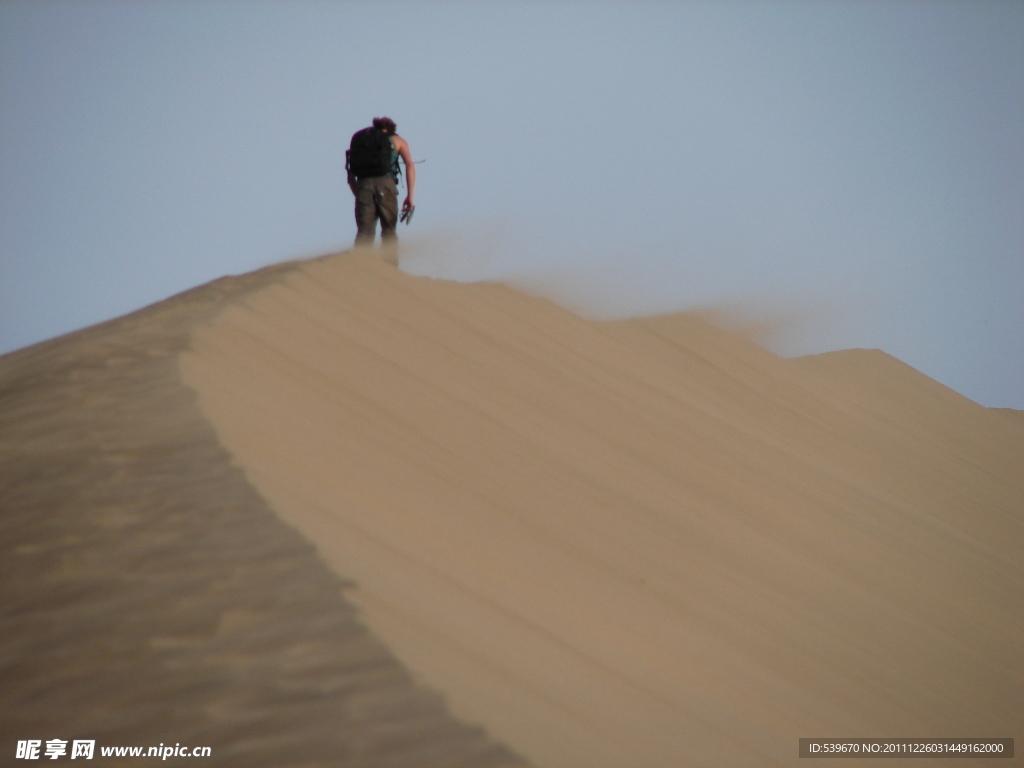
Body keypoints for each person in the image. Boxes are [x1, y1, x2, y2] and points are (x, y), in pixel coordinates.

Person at [346, 117, 416, 248]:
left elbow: (350, 177)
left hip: (363, 185)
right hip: (386, 184)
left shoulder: (362, 141)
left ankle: (359, 265)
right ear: (391, 129)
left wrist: (360, 195)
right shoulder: (398, 140)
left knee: (364, 231)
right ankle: (390, 266)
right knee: (389, 230)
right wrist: (410, 196)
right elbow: (410, 165)